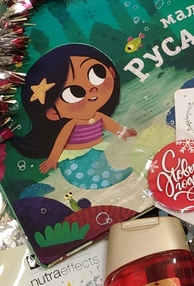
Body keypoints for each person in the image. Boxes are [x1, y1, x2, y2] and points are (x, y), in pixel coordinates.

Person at [11, 44, 136, 189]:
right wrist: (53, 159)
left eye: (97, 73)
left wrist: (124, 132)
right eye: (73, 93)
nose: (91, 90)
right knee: (91, 173)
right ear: (53, 112)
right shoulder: (72, 124)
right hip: (75, 160)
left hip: (93, 150)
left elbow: (111, 125)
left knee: (101, 165)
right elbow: (61, 141)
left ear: (111, 72)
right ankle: (105, 179)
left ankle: (109, 176)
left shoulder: (98, 116)